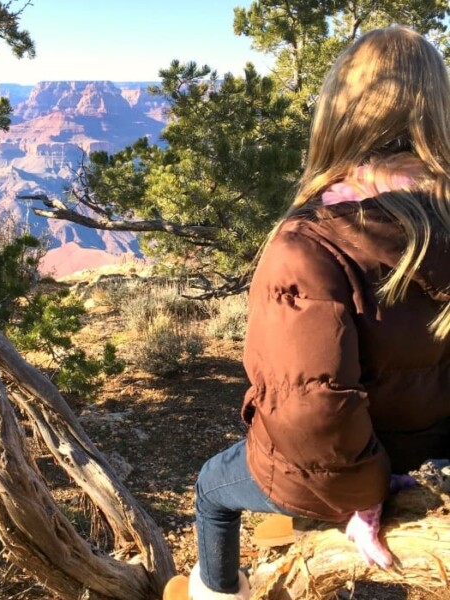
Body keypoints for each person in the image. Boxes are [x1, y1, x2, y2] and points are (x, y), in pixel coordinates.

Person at [163, 25, 450, 600]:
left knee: (212, 490)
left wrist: (363, 491)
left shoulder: (311, 242)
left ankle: (220, 591)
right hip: (431, 442)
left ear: (341, 112)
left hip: (356, 463)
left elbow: (311, 414)